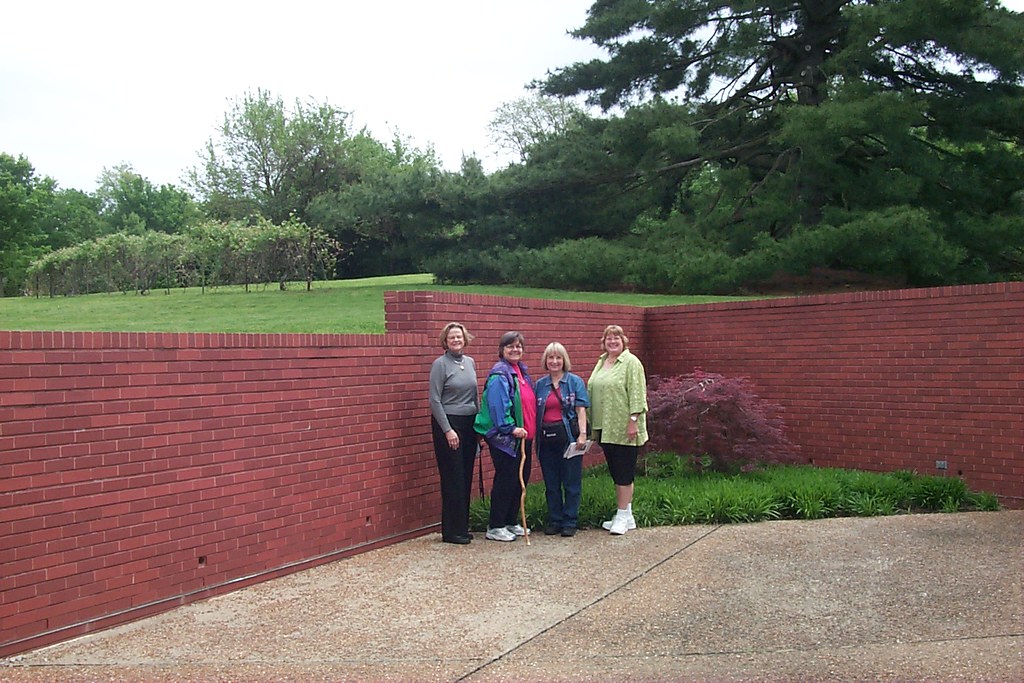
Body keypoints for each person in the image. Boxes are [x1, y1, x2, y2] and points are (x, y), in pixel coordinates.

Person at [474, 331, 536, 542]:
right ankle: (496, 525)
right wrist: (510, 428)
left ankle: (510, 520)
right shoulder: (500, 375)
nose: (515, 349)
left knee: (521, 479)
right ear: (502, 350)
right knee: (507, 478)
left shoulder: (521, 372)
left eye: (519, 346)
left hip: (524, 437)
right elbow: (497, 405)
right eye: (510, 346)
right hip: (506, 437)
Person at [587, 324, 648, 535]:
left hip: (624, 426)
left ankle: (622, 515)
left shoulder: (631, 363)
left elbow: (638, 394)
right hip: (605, 426)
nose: (612, 342)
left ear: (624, 341)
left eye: (616, 338)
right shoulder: (602, 362)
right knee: (615, 470)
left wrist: (633, 420)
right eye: (608, 339)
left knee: (624, 471)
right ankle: (627, 514)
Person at [428, 322, 479, 545]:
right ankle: (451, 530)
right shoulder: (440, 365)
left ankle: (462, 526)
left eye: (459, 337)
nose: (456, 341)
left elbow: (475, 395)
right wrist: (447, 429)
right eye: (452, 338)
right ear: (445, 342)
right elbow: (434, 399)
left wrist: (479, 427)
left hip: (469, 424)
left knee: (466, 475)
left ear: (465, 339)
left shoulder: (470, 363)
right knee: (453, 477)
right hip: (449, 424)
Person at [534, 342, 590, 537]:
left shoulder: (575, 382)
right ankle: (555, 520)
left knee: (571, 482)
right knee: (551, 483)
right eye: (551, 358)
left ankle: (570, 520)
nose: (554, 361)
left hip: (569, 439)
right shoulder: (540, 385)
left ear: (564, 360)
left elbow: (580, 409)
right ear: (546, 361)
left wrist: (582, 434)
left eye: (558, 358)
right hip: (546, 441)